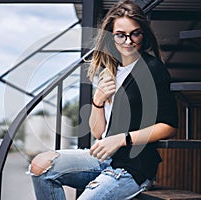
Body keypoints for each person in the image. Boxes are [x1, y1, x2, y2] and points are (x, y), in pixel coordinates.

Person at [28, 0, 178, 199]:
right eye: (120, 35)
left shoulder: (152, 69)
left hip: (132, 167)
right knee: (40, 167)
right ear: (111, 35)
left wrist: (122, 139)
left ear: (144, 34)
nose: (128, 41)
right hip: (102, 159)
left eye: (135, 33)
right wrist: (98, 100)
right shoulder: (110, 71)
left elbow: (169, 126)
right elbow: (98, 132)